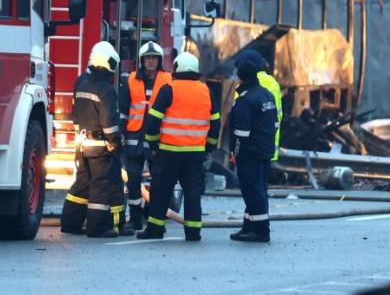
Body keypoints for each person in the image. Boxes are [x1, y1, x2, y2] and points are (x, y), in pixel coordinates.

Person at [136, 52, 219, 241]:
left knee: (160, 191)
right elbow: (215, 123)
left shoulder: (168, 89)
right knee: (192, 193)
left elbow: (153, 120)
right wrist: (209, 148)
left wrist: (154, 144)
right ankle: (193, 232)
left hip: (168, 152)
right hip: (195, 154)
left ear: (176, 68)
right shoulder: (206, 90)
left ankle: (155, 229)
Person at [60, 41, 131, 238]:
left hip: (83, 144)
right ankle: (97, 227)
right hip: (101, 147)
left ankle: (70, 223)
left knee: (82, 184)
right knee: (101, 186)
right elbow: (109, 122)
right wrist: (114, 142)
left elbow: (75, 114)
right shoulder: (106, 90)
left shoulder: (81, 82)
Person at [118, 41, 172, 232]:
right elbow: (123, 110)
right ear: (142, 60)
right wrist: (120, 132)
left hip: (158, 137)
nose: (150, 61)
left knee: (158, 180)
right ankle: (135, 219)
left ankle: (156, 220)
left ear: (159, 60)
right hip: (134, 136)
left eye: (154, 58)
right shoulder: (131, 79)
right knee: (133, 179)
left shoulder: (168, 80)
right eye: (147, 58)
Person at [228, 50, 278, 243]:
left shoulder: (245, 101)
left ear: (241, 77)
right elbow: (274, 124)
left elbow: (241, 134)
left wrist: (236, 154)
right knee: (258, 189)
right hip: (265, 152)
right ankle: (248, 226)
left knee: (252, 191)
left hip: (250, 155)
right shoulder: (266, 94)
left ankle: (261, 231)